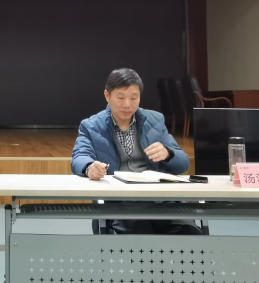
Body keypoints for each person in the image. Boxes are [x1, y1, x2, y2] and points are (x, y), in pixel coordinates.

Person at [71, 68, 202, 235]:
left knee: (190, 233)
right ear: (107, 95)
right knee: (138, 239)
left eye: (134, 98)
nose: (127, 104)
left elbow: (183, 163)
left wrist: (168, 154)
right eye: (120, 97)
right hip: (121, 204)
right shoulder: (91, 126)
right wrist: (90, 167)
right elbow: (79, 157)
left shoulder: (155, 120)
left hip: (162, 201)